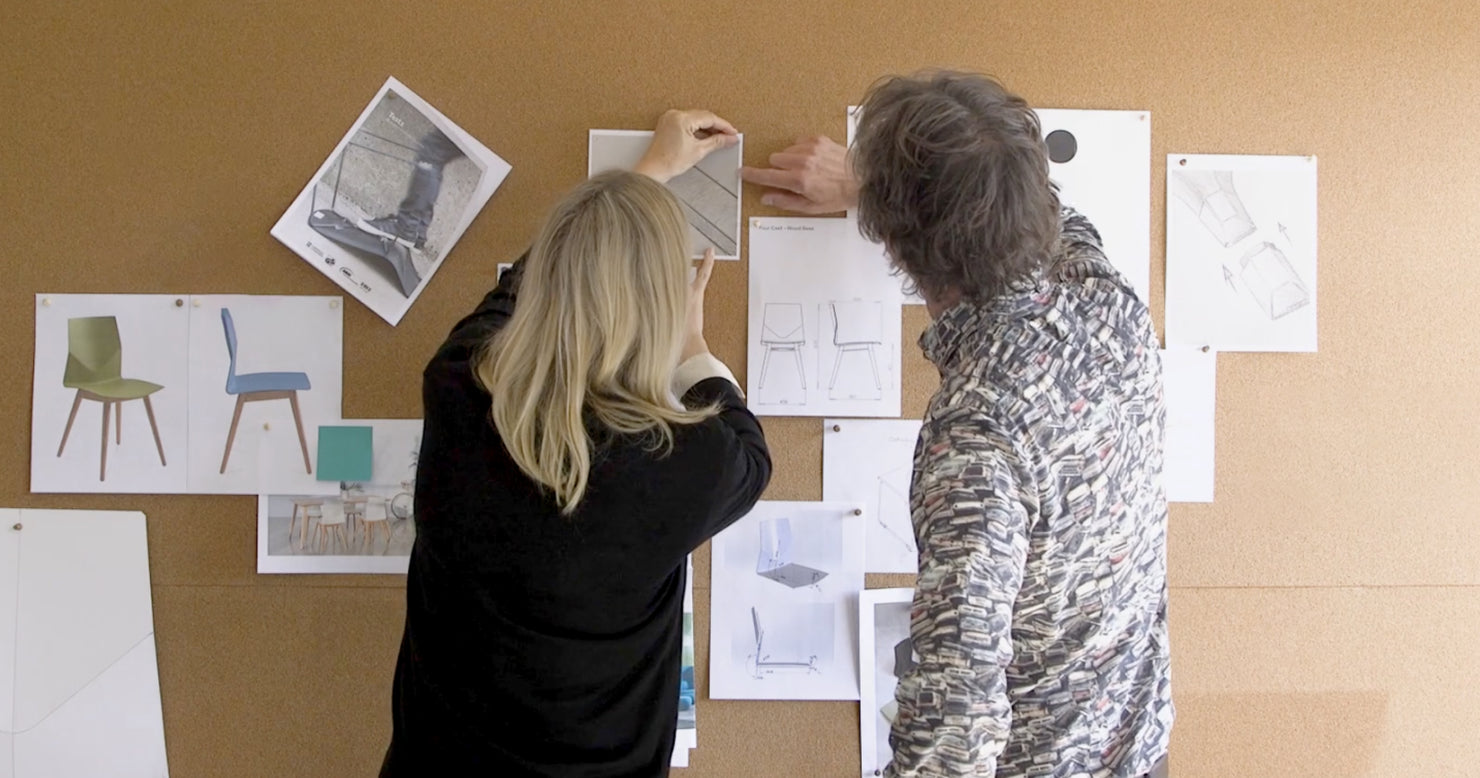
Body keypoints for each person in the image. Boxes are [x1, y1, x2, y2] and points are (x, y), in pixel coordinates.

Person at [742, 71, 1172, 778]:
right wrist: (876, 191)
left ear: (897, 248)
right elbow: (1060, 221)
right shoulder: (1109, 302)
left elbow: (955, 722)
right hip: (1140, 749)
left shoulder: (976, 430)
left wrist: (879, 194)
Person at [381, 110, 769, 777]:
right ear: (660, 308)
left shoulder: (457, 389)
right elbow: (748, 449)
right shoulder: (681, 465)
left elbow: (512, 299)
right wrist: (692, 345)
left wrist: (642, 177)